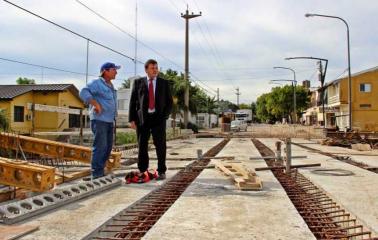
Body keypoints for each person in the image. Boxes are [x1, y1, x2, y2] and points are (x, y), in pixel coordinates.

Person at [129, 59, 172, 180]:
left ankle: (161, 171)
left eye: (156, 68)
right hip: (143, 119)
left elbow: (169, 102)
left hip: (158, 119)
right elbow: (133, 102)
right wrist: (132, 119)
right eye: (153, 68)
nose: (155, 70)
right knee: (142, 145)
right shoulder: (138, 82)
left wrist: (165, 116)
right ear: (146, 70)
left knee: (160, 145)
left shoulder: (164, 83)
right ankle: (143, 170)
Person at [79, 62, 119, 179]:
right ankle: (96, 174)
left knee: (107, 147)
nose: (116, 72)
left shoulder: (111, 86)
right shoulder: (96, 83)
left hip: (109, 121)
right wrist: (95, 104)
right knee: (100, 146)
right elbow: (83, 92)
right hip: (99, 120)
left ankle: (101, 170)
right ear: (105, 71)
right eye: (114, 69)